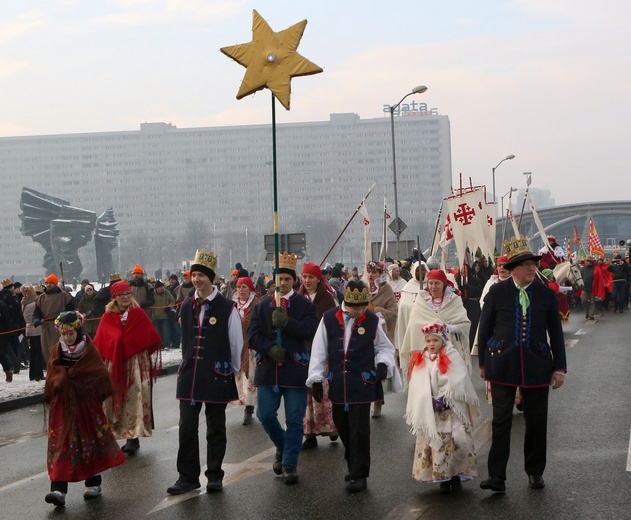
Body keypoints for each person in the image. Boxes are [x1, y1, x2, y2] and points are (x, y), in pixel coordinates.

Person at [478, 235, 566, 493]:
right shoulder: (497, 292)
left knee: (537, 422)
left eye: (533, 264)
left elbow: (556, 333)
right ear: (513, 269)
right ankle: (496, 477)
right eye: (526, 265)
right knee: (500, 421)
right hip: (502, 365)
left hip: (537, 364)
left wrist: (559, 368)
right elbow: (485, 329)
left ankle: (535, 471)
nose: (531, 268)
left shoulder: (545, 294)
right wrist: (483, 362)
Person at [306, 280, 396, 492]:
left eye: (364, 306)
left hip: (362, 383)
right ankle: (353, 461)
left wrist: (383, 363)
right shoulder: (328, 319)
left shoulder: (372, 320)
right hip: (338, 383)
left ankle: (359, 473)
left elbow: (384, 347)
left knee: (360, 431)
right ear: (346, 304)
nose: (361, 311)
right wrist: (316, 379)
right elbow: (319, 351)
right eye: (357, 307)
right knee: (343, 426)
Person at [167, 249, 243, 495]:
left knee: (215, 427)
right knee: (187, 426)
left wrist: (231, 370)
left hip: (216, 374)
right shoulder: (187, 304)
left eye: (202, 275)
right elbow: (185, 340)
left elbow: (236, 343)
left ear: (212, 278)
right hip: (189, 375)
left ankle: (214, 475)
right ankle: (187, 477)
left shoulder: (227, 307)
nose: (197, 279)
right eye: (194, 274)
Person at [247, 252, 319, 485]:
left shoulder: (304, 305)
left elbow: (310, 330)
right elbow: (252, 336)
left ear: (294, 281)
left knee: (295, 419)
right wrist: (269, 348)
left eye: (288, 279)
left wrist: (288, 323)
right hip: (268, 370)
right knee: (265, 415)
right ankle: (283, 445)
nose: (283, 283)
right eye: (279, 279)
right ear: (273, 280)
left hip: (295, 369)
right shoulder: (262, 307)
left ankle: (290, 463)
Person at [44, 311, 126, 507]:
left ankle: (93, 483)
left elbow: (99, 374)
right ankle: (58, 489)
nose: (67, 337)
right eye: (64, 334)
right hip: (64, 407)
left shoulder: (88, 349)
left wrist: (81, 382)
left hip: (86, 406)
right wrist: (61, 380)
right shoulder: (58, 349)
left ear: (78, 331)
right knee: (62, 444)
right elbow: (52, 374)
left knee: (90, 442)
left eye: (70, 333)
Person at [405, 323, 479, 494]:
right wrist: (426, 399)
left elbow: (458, 380)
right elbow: (417, 384)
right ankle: (442, 478)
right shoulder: (422, 358)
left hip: (450, 410)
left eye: (435, 340)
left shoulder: (452, 355)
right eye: (428, 340)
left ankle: (456, 475)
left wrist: (446, 397)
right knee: (437, 443)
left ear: (443, 340)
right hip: (431, 411)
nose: (431, 344)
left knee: (456, 441)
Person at [94, 280, 162, 455]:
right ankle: (113, 436)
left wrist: (131, 343)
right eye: (121, 295)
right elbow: (102, 341)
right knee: (113, 400)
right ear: (114, 298)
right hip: (114, 364)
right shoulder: (108, 317)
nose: (125, 297)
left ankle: (133, 437)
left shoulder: (138, 314)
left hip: (136, 364)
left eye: (127, 294)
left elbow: (150, 336)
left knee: (135, 398)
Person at [400, 269, 472, 378]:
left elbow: (464, 324)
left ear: (444, 284)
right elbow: (414, 325)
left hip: (449, 349)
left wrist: (448, 328)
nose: (433, 286)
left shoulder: (454, 299)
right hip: (426, 350)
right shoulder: (421, 300)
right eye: (431, 283)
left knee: (448, 380)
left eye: (437, 283)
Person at [297, 261, 338, 450]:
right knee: (305, 396)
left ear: (318, 279)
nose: (307, 280)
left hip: (322, 352)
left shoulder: (327, 300)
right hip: (302, 352)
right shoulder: (297, 299)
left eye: (311, 277)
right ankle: (309, 433)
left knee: (323, 392)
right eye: (304, 277)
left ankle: (331, 427)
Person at [364, 261, 398, 418]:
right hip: (363, 334)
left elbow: (393, 312)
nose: (371, 275)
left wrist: (377, 311)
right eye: (369, 272)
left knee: (377, 367)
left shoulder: (386, 289)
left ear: (381, 274)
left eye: (374, 272)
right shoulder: (363, 288)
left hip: (380, 333)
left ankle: (377, 401)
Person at [232, 276, 260, 426]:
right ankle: (242, 402)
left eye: (244, 287)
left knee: (251, 378)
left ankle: (249, 409)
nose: (241, 290)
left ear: (250, 289)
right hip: (238, 346)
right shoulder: (233, 305)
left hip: (251, 347)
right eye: (238, 287)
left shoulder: (256, 304)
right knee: (239, 378)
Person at [33, 273, 75, 364]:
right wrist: (36, 319)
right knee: (46, 351)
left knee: (58, 350)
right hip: (45, 328)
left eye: (51, 283)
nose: (48, 285)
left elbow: (71, 311)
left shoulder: (64, 296)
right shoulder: (41, 298)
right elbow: (37, 312)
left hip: (60, 327)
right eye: (47, 283)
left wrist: (62, 317)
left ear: (55, 284)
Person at [21, 285, 45, 381]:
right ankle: (38, 373)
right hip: (37, 329)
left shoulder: (24, 303)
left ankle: (32, 374)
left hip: (29, 329)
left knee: (33, 353)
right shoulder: (34, 303)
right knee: (38, 352)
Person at [151, 280, 176, 349]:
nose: (162, 288)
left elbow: (172, 300)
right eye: (160, 287)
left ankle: (166, 344)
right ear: (157, 288)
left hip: (165, 315)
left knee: (166, 331)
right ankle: (160, 344)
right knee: (158, 331)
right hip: (156, 316)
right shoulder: (153, 294)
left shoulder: (167, 293)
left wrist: (169, 307)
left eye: (162, 287)